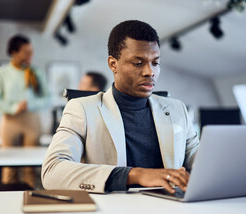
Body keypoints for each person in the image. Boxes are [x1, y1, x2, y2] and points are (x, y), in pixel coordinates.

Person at [42, 20, 199, 194]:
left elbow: (203, 165)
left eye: (155, 63)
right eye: (138, 63)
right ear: (113, 64)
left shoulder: (178, 110)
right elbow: (52, 171)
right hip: (112, 213)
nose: (150, 72)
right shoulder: (82, 109)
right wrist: (135, 175)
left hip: (173, 211)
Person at [0, 34, 50, 188]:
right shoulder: (1, 73)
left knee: (31, 168)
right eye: (26, 52)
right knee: (9, 167)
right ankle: (8, 203)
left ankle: (32, 201)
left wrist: (30, 105)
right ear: (14, 52)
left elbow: (47, 98)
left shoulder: (36, 72)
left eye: (31, 51)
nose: (31, 55)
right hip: (10, 120)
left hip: (32, 120)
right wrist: (14, 107)